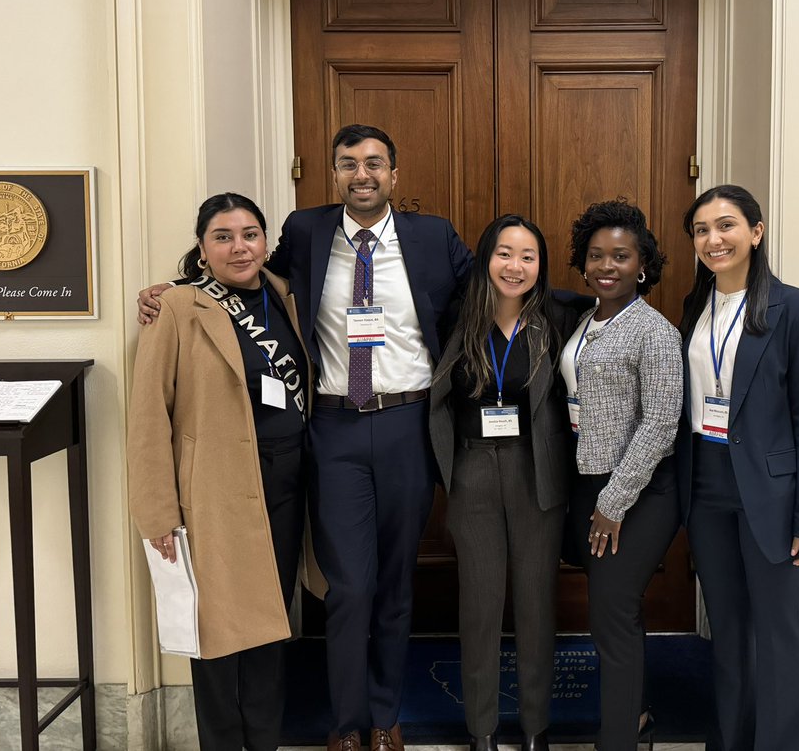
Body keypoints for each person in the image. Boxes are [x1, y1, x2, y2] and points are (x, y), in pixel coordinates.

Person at [138, 125, 474, 751]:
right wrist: (168, 290)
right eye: (349, 164)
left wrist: (578, 310)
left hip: (408, 423)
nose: (362, 174)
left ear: (395, 176)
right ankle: (345, 725)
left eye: (375, 163)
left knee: (397, 585)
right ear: (334, 173)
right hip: (334, 427)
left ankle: (384, 716)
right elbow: (243, 280)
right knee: (348, 587)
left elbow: (492, 296)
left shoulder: (433, 237)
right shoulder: (307, 231)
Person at [128, 192, 311, 751]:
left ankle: (265, 740)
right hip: (214, 487)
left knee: (270, 623)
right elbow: (148, 414)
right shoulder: (178, 307)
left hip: (285, 484)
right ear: (202, 249)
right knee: (216, 630)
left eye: (250, 234)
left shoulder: (283, 295)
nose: (240, 247)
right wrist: (157, 511)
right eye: (223, 236)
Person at [674, 185, 799, 751]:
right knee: (730, 630)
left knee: (779, 631)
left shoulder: (797, 308)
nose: (713, 239)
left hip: (772, 493)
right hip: (707, 487)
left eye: (726, 226)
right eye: (701, 230)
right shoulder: (696, 307)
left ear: (756, 232)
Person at [428, 215, 587, 751]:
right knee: (479, 605)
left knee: (536, 604)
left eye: (527, 256)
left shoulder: (560, 315)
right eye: (504, 253)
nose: (514, 266)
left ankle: (536, 729)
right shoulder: (458, 316)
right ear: (485, 258)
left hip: (536, 471)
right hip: (471, 471)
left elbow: (611, 304)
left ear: (541, 266)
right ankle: (483, 730)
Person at [561, 200, 683, 751]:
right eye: (596, 255)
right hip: (591, 484)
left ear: (642, 265)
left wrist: (613, 502)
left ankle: (618, 740)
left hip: (638, 493)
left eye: (620, 256)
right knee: (614, 614)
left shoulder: (653, 331)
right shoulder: (588, 320)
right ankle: (633, 719)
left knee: (611, 617)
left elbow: (660, 423)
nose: (606, 265)